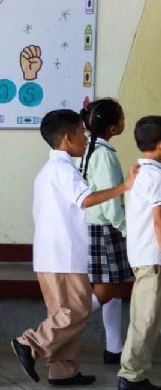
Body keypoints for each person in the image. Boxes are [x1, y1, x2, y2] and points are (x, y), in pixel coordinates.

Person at [12, 109, 135, 386]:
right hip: (64, 256)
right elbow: (87, 199)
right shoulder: (63, 170)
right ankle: (29, 343)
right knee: (77, 310)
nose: (85, 138)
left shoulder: (48, 170)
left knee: (62, 314)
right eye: (81, 134)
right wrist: (124, 187)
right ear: (68, 138)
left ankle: (63, 370)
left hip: (50, 254)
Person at [78, 98, 131, 363]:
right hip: (105, 227)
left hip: (93, 225)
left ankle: (114, 347)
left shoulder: (89, 148)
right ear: (112, 128)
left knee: (114, 287)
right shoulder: (104, 156)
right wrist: (126, 230)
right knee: (106, 290)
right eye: (122, 118)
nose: (124, 122)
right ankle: (55, 328)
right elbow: (111, 202)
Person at [117, 116, 161, 390]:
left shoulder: (139, 173)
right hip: (152, 257)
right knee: (145, 318)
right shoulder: (155, 176)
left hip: (142, 254)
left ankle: (137, 373)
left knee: (146, 317)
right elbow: (159, 221)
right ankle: (131, 375)